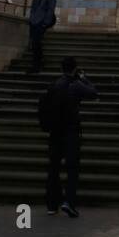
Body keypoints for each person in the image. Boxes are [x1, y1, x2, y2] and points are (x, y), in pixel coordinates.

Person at [43, 56, 98, 218]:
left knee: (53, 168)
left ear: (61, 68)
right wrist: (84, 79)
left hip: (55, 132)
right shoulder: (76, 85)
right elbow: (94, 93)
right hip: (71, 132)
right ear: (74, 68)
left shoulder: (54, 85)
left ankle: (52, 205)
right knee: (72, 169)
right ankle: (69, 202)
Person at [28, 0, 57, 73]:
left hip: (41, 23)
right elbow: (33, 8)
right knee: (34, 44)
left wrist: (45, 23)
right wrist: (31, 19)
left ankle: (37, 65)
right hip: (34, 22)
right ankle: (37, 64)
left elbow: (50, 10)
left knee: (36, 43)